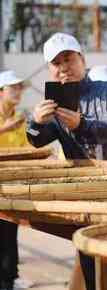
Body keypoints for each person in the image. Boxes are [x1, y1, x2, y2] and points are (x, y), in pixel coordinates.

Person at [26, 32, 107, 290]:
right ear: (50, 69)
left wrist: (81, 124)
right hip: (84, 194)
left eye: (68, 59)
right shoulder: (53, 103)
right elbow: (38, 140)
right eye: (56, 63)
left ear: (82, 59)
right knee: (92, 264)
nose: (63, 68)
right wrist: (36, 123)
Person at [0, 70, 34, 290]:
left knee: (8, 235)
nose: (18, 92)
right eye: (13, 88)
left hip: (10, 188)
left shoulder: (18, 119)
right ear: (1, 92)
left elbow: (25, 148)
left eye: (19, 88)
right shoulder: (10, 122)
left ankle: (9, 279)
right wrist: (5, 128)